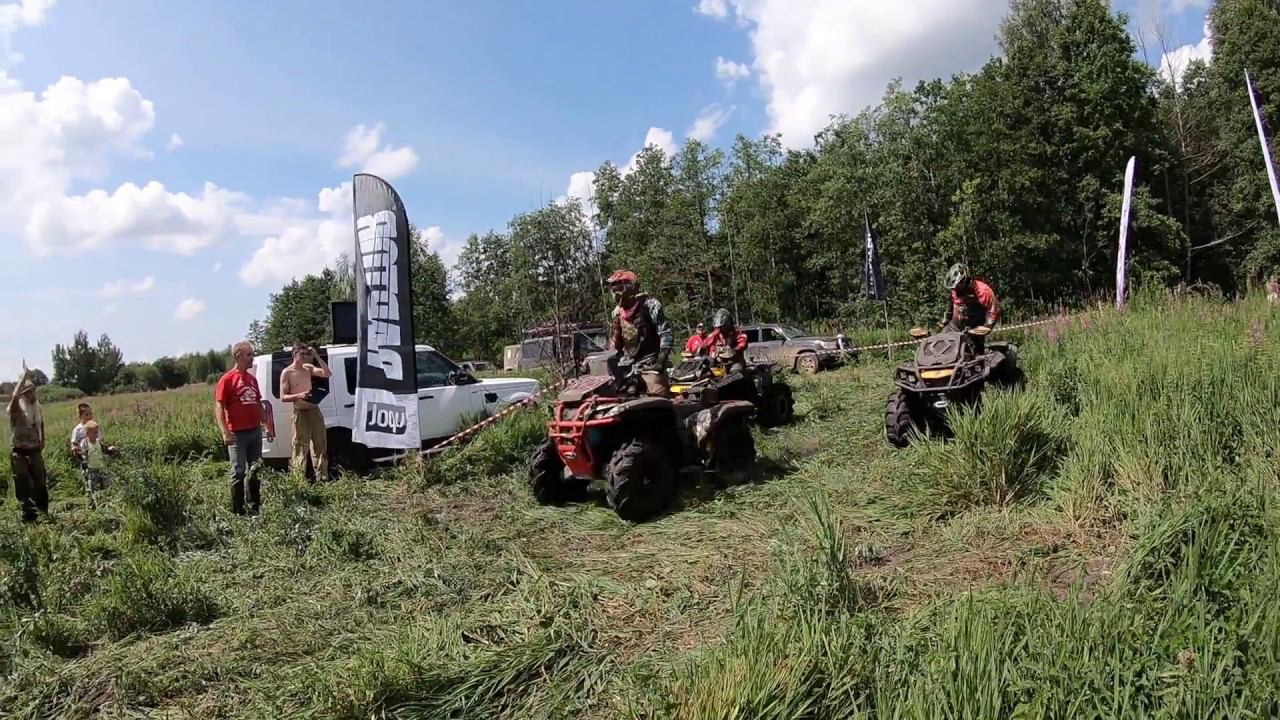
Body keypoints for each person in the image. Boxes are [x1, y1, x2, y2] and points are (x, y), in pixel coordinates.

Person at [215, 341, 274, 515]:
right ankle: (238, 511)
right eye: (249, 355)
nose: (252, 357)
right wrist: (225, 432)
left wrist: (267, 425)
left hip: (254, 431)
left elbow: (257, 404)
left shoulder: (252, 379)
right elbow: (219, 407)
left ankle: (254, 507)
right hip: (237, 434)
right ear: (238, 356)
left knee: (255, 469)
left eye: (252, 354)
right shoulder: (227, 380)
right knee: (238, 471)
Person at [607, 269, 673, 397]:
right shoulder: (617, 313)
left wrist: (660, 362)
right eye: (614, 289)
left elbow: (665, 334)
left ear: (631, 288)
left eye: (620, 288)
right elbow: (615, 345)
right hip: (627, 368)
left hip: (650, 365)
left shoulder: (649, 306)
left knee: (657, 395)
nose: (617, 293)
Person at [280, 344, 332, 482]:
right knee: (299, 446)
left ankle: (322, 477)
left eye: (306, 354)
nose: (304, 357)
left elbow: (327, 374)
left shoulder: (308, 368)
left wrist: (316, 356)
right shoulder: (287, 372)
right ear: (294, 354)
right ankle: (298, 480)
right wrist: (299, 395)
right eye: (302, 354)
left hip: (314, 410)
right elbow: (283, 397)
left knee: (320, 444)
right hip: (300, 412)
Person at [8, 367, 47, 523]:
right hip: (20, 452)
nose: (31, 394)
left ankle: (44, 512)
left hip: (35, 451)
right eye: (27, 392)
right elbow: (14, 396)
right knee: (24, 485)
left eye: (33, 391)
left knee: (41, 483)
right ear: (23, 395)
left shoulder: (37, 407)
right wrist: (23, 378)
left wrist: (42, 440)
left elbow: (41, 423)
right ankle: (29, 519)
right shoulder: (16, 409)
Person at [941, 263, 1000, 351]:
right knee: (942, 338)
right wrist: (947, 318)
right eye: (953, 288)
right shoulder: (955, 291)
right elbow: (953, 304)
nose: (955, 290)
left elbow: (994, 310)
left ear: (964, 281)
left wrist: (988, 326)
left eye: (957, 287)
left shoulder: (983, 291)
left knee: (971, 349)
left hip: (975, 326)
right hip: (957, 323)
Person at [703, 308, 749, 374]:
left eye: (721, 327)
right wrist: (707, 353)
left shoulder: (738, 332)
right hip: (718, 363)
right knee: (705, 370)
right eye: (718, 327)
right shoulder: (714, 335)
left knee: (735, 372)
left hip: (735, 362)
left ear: (727, 324)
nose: (720, 329)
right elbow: (705, 344)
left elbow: (743, 344)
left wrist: (733, 349)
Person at [76, 420, 111, 491]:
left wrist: (110, 449)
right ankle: (94, 495)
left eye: (97, 432)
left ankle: (106, 494)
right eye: (94, 433)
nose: (96, 435)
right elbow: (82, 454)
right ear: (87, 433)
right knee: (94, 486)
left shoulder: (99, 442)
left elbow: (104, 449)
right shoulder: (85, 443)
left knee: (106, 485)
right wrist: (81, 453)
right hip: (91, 469)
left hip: (101, 467)